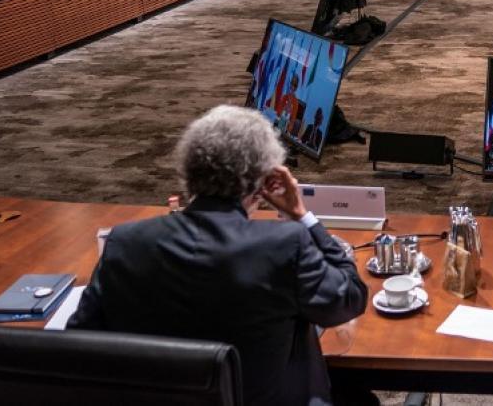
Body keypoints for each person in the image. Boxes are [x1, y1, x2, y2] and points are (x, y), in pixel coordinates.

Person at [69, 105, 368, 406]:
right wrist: (303, 216)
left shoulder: (124, 243)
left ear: (187, 171)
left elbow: (78, 343)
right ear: (263, 183)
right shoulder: (284, 245)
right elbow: (350, 298)